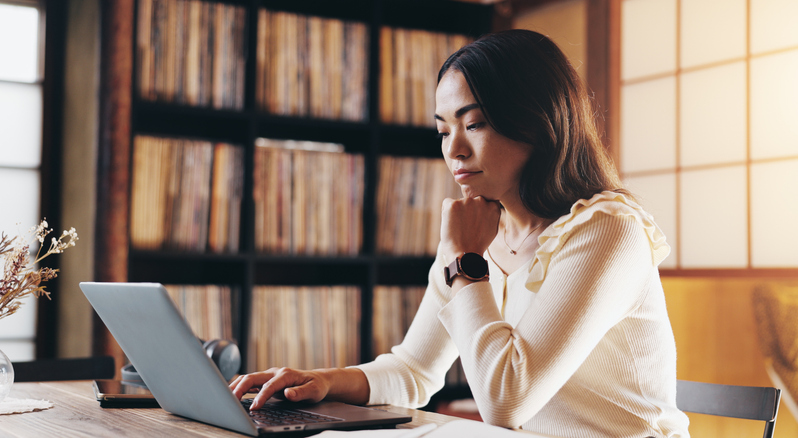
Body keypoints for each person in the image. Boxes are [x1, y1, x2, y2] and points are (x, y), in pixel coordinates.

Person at [230, 29, 690, 437]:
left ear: (538, 122)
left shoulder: (608, 231)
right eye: (443, 131)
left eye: (474, 124)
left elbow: (507, 401)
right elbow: (414, 369)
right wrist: (326, 380)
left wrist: (467, 263)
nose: (455, 149)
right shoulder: (481, 230)